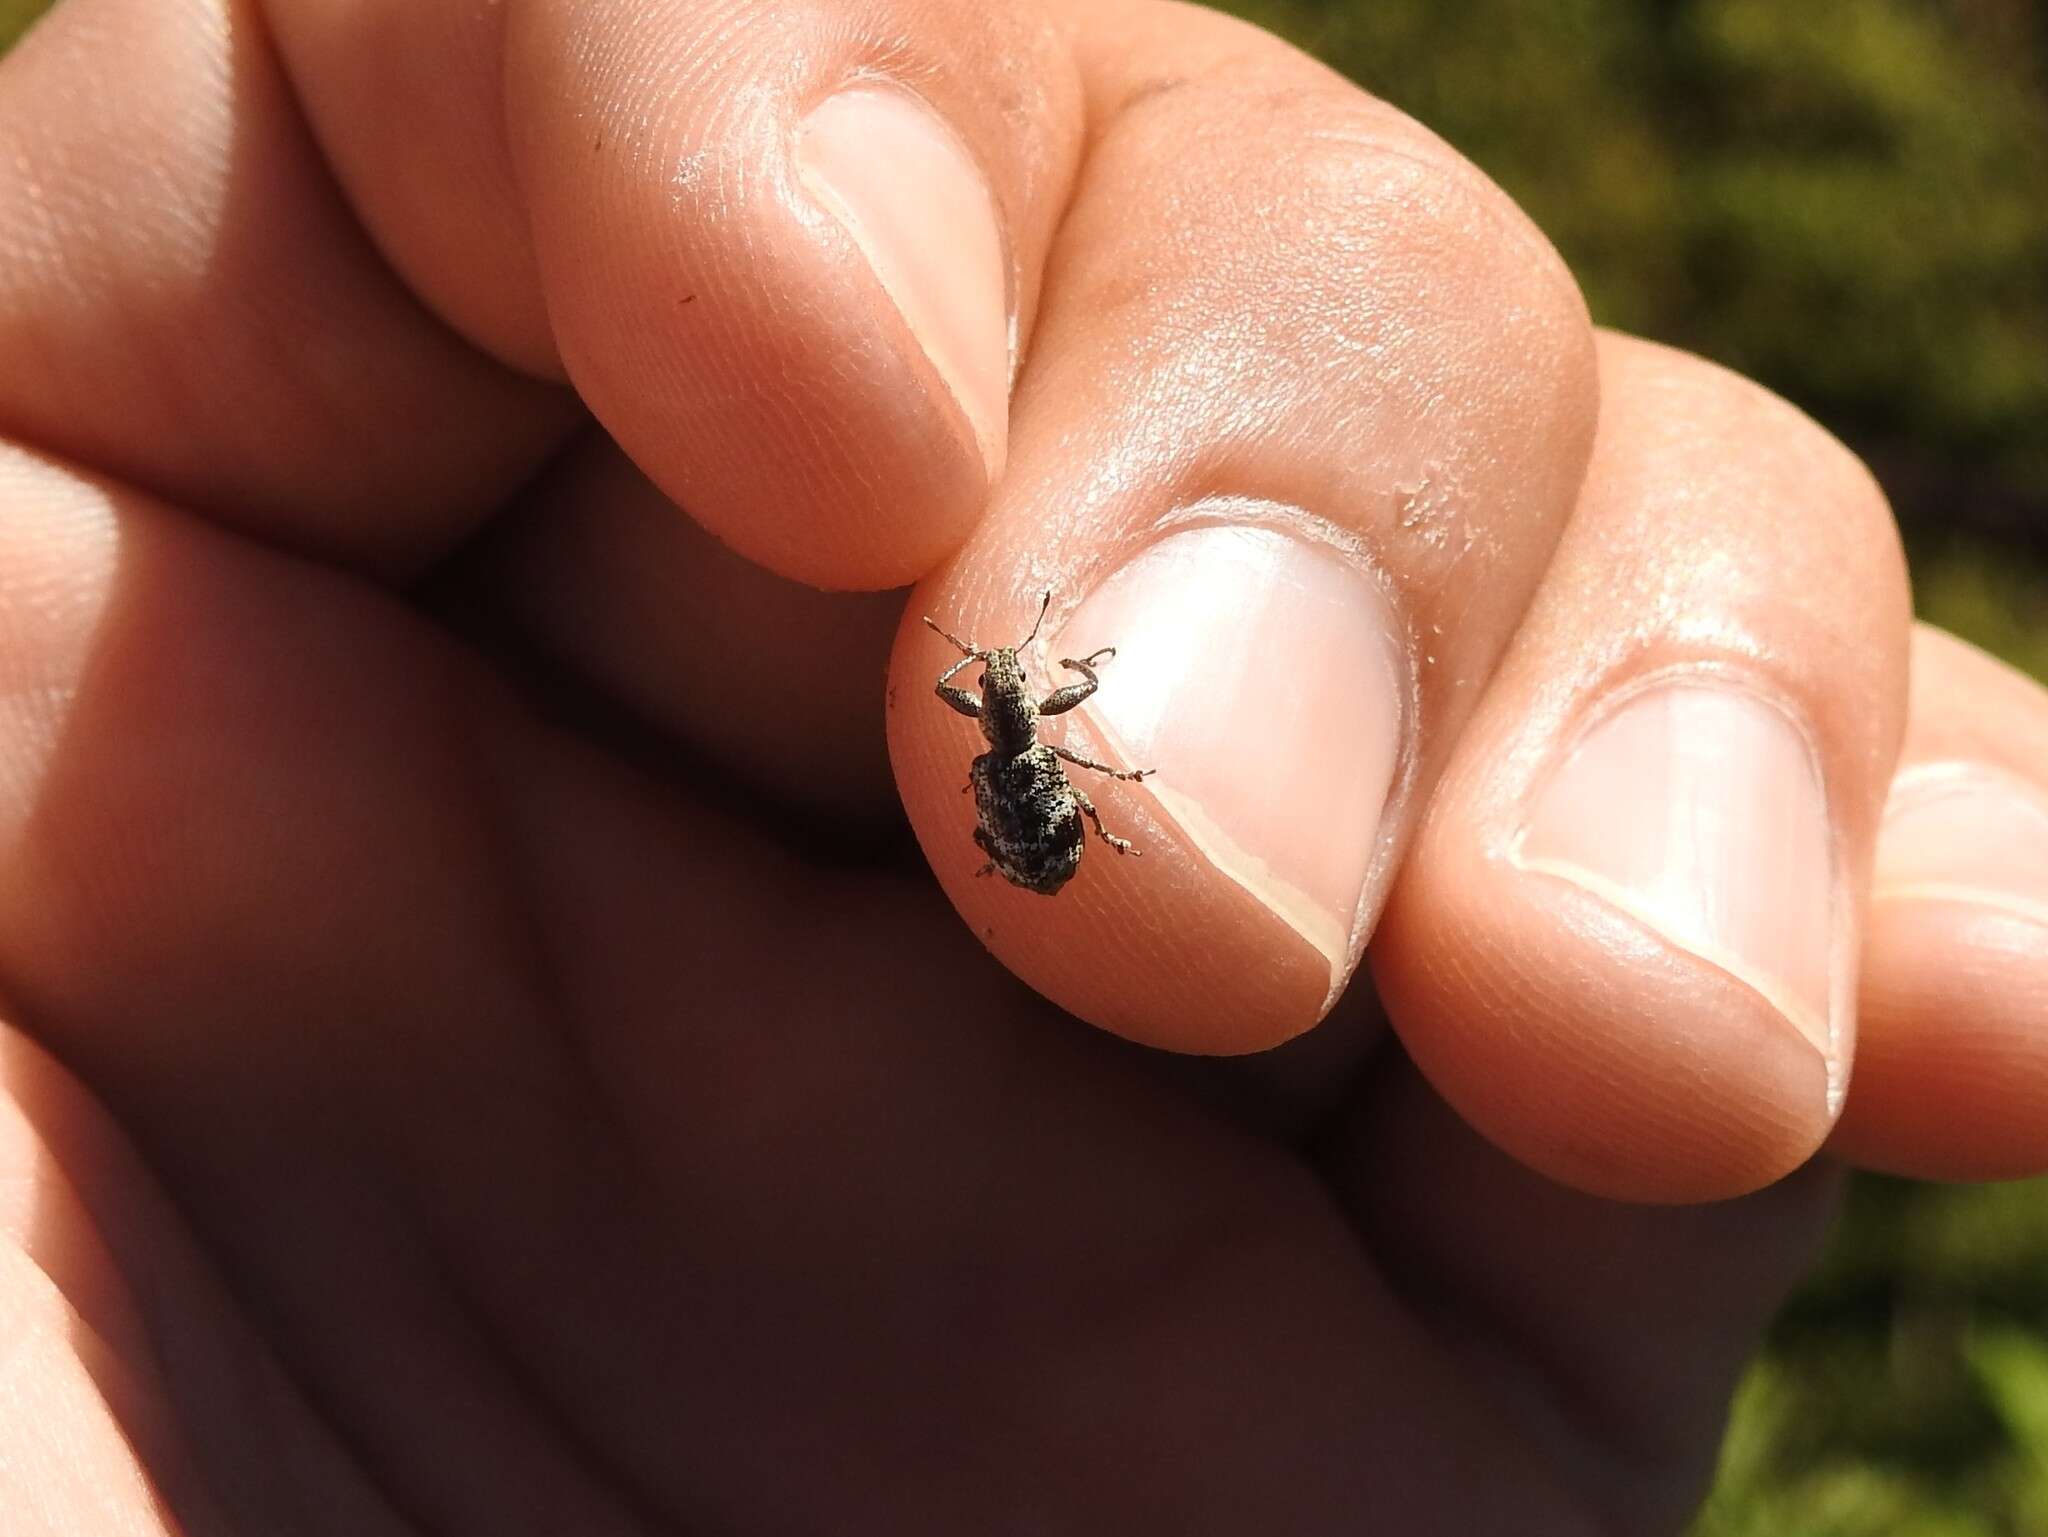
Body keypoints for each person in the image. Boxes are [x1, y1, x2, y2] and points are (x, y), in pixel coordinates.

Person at [1, 0, 2044, 1531]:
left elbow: (1038, 760)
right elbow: (1041, 759)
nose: (1014, 696)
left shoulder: (1017, 729)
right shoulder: (1016, 719)